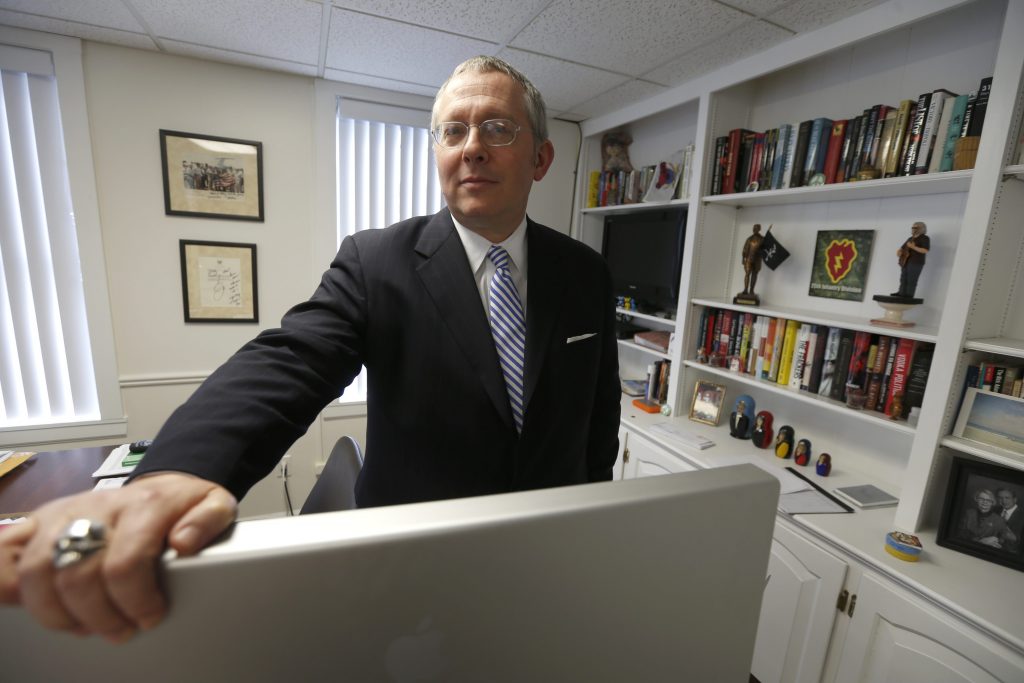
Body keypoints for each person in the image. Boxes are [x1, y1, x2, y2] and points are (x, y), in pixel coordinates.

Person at [0, 56, 621, 643]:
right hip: (414, 569)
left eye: (497, 127)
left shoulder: (586, 274)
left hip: (547, 559)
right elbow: (291, 359)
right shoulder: (378, 262)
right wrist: (172, 473)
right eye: (451, 130)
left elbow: (597, 419)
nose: (472, 146)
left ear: (541, 158)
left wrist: (591, 526)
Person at [892, 221, 929, 298]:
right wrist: (899, 251)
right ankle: (901, 293)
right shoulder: (910, 238)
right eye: (912, 227)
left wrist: (913, 247)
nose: (913, 229)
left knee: (912, 279)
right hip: (906, 261)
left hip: (916, 262)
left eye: (915, 227)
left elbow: (925, 250)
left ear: (922, 229)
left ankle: (909, 295)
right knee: (903, 278)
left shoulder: (925, 238)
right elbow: (902, 248)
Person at [739, 224, 764, 298]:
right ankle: (745, 290)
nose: (754, 229)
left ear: (759, 229)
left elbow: (764, 250)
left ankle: (751, 290)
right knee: (747, 274)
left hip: (757, 259)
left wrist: (760, 251)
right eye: (753, 228)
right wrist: (743, 258)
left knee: (754, 274)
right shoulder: (749, 239)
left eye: (756, 228)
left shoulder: (762, 239)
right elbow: (745, 249)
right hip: (749, 259)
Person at [996, 488, 1023, 554]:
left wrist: (1015, 539)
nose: (1003, 501)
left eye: (1007, 498)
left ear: (1015, 499)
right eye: (1000, 498)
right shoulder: (995, 510)